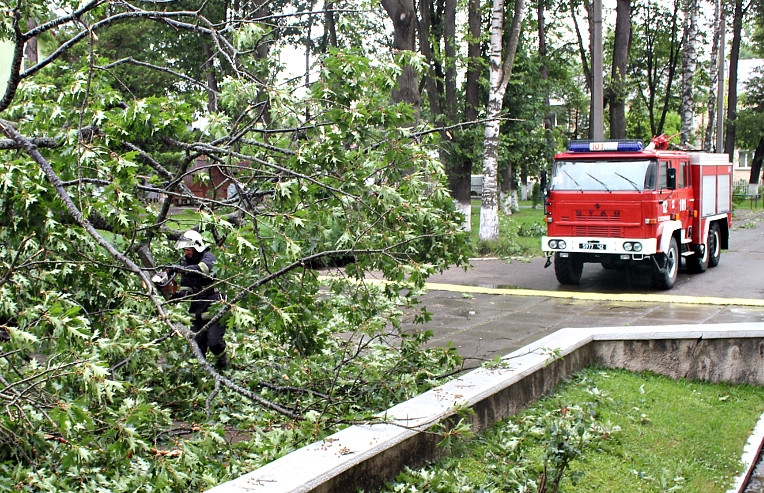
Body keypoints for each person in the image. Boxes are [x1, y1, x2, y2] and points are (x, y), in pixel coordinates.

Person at [172, 230, 229, 369]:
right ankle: (199, 374)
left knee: (214, 342)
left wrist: (180, 269)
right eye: (185, 249)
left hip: (215, 307)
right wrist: (176, 296)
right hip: (197, 310)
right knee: (197, 346)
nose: (186, 252)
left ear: (196, 247)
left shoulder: (209, 257)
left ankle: (223, 364)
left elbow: (202, 269)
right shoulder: (186, 263)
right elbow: (186, 287)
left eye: (188, 249)